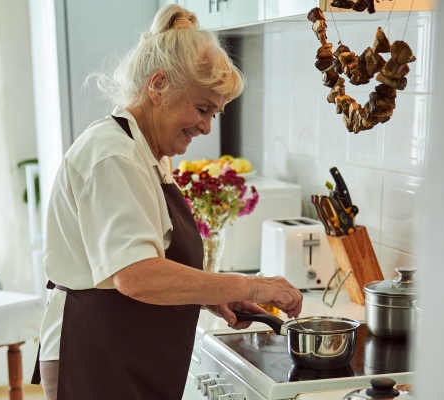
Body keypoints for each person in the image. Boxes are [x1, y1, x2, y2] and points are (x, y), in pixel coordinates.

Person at [31, 4, 303, 399]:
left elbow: (149, 262)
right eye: (202, 108)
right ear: (158, 85)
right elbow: (136, 275)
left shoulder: (144, 153)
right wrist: (252, 285)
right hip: (98, 354)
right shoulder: (115, 157)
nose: (207, 126)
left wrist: (218, 294)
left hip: (125, 349)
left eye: (216, 113)